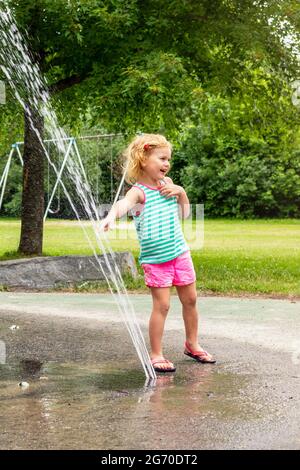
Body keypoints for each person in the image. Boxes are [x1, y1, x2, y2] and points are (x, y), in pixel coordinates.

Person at [101, 133, 216, 373]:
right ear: (143, 159)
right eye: (162, 158)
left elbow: (184, 215)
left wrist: (181, 192)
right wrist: (111, 216)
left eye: (168, 160)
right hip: (156, 261)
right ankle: (156, 354)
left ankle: (192, 344)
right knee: (162, 306)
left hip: (179, 253)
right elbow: (123, 204)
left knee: (191, 300)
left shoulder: (168, 184)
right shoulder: (139, 192)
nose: (167, 164)